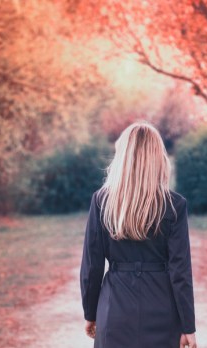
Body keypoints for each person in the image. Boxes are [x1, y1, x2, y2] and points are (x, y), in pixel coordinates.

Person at [80, 121, 197, 348]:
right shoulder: (174, 205)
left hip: (114, 311)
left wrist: (90, 312)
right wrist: (188, 327)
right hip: (163, 311)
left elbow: (91, 268)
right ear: (157, 158)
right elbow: (180, 272)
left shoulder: (102, 201)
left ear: (122, 157)